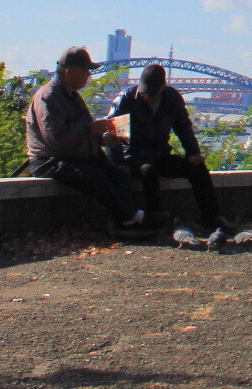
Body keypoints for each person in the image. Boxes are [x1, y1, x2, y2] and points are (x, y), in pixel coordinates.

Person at [24, 46, 163, 236]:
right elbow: (56, 139)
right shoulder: (48, 97)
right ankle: (135, 217)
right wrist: (90, 129)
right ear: (68, 72)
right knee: (95, 177)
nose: (89, 75)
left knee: (119, 175)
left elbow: (84, 132)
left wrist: (103, 140)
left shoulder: (72, 95)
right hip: (50, 160)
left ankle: (126, 224)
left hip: (73, 156)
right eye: (85, 70)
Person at [108, 63, 237, 247]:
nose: (147, 98)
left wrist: (193, 153)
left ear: (163, 87)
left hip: (161, 154)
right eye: (144, 93)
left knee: (197, 168)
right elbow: (112, 134)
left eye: (152, 94)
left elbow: (183, 127)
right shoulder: (126, 99)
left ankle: (212, 217)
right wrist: (119, 163)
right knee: (147, 171)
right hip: (134, 156)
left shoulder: (172, 98)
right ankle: (156, 219)